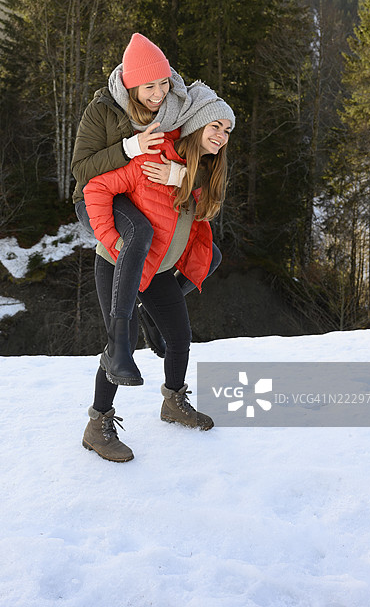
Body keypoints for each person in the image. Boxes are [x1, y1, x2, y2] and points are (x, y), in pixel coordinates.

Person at [81, 89, 235, 462]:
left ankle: (173, 403)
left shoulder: (203, 170)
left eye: (228, 130)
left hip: (161, 269)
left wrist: (182, 176)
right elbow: (95, 187)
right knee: (121, 344)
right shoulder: (153, 157)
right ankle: (97, 425)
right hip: (119, 264)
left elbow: (208, 205)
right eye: (216, 125)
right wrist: (111, 239)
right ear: (196, 125)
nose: (222, 135)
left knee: (179, 337)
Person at [72, 32, 223, 386]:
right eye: (148, 87)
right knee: (139, 232)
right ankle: (120, 342)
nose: (158, 94)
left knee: (208, 254)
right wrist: (130, 147)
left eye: (163, 83)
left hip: (147, 190)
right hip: (101, 196)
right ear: (129, 87)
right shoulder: (103, 110)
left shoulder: (177, 109)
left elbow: (202, 152)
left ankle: (151, 314)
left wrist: (180, 173)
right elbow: (81, 170)